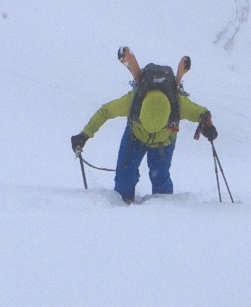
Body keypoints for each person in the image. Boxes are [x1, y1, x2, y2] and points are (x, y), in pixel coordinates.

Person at [72, 50, 217, 204]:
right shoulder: (134, 101)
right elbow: (105, 112)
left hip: (156, 141)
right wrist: (84, 135)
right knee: (126, 181)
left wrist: (208, 126)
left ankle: (162, 213)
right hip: (141, 137)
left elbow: (203, 114)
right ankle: (125, 208)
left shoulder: (179, 104)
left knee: (161, 185)